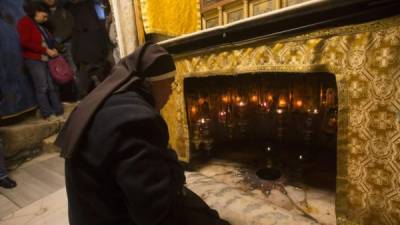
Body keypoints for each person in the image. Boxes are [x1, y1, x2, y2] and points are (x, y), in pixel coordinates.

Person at [56, 43, 231, 225]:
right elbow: (154, 211)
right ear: (152, 82)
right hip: (113, 216)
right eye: (170, 83)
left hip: (96, 210)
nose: (172, 91)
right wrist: (174, 171)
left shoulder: (107, 101)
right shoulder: (137, 120)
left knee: (194, 204)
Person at [17, 2, 64, 121]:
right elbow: (25, 42)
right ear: (36, 12)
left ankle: (58, 112)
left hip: (46, 58)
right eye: (44, 16)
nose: (46, 19)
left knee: (52, 87)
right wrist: (45, 50)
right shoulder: (25, 22)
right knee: (42, 87)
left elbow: (48, 39)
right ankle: (47, 114)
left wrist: (54, 48)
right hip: (34, 60)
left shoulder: (40, 24)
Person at [65, 0, 111, 97]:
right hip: (95, 53)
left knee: (87, 81)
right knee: (99, 78)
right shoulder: (88, 8)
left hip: (86, 55)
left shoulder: (77, 12)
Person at [42, 0, 79, 102]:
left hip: (65, 45)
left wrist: (58, 41)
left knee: (72, 70)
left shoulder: (64, 12)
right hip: (50, 48)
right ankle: (63, 99)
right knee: (55, 74)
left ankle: (76, 96)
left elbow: (70, 28)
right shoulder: (42, 13)